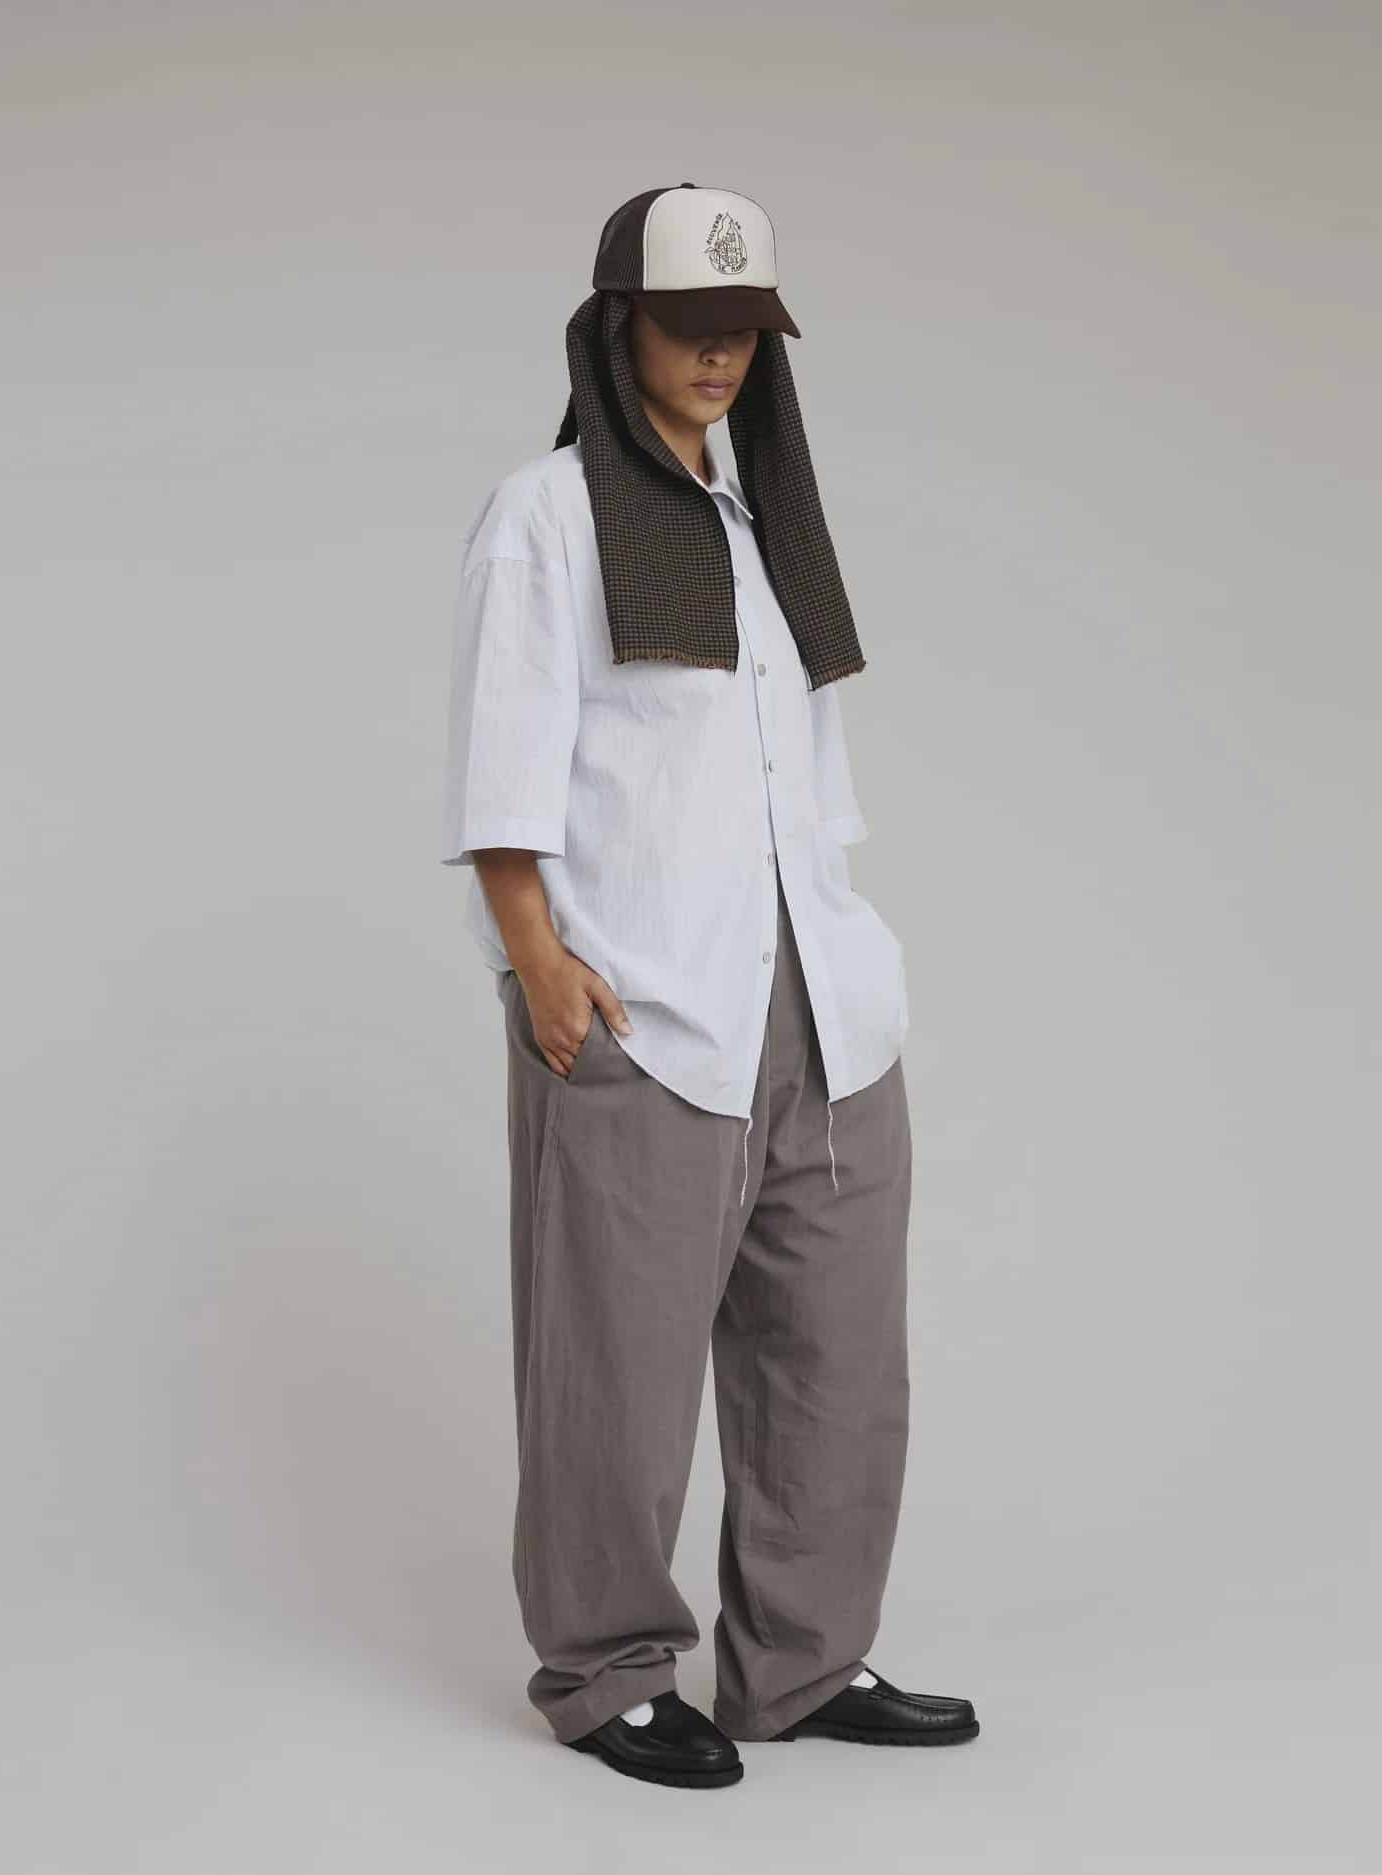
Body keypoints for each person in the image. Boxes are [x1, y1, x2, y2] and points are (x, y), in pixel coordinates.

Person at [441, 183, 979, 1789]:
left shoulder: (759, 532)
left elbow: (795, 782)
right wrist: (541, 970)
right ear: (620, 328)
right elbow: (501, 774)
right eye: (691, 324)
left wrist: (849, 965)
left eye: (745, 328)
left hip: (819, 1005)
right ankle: (607, 1673)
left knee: (837, 1361)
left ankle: (803, 1666)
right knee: (612, 1370)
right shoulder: (542, 517)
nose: (721, 354)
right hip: (643, 1009)